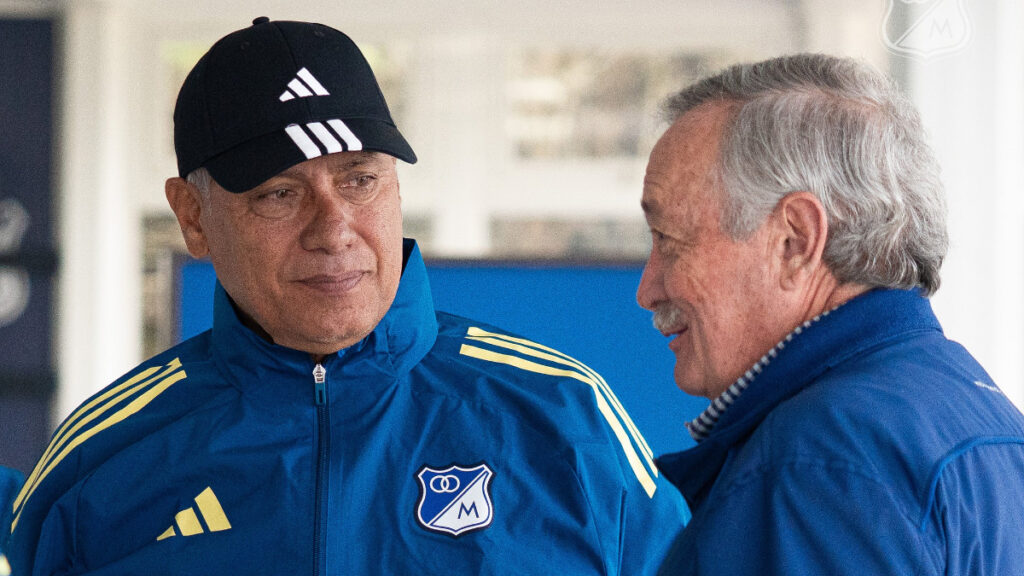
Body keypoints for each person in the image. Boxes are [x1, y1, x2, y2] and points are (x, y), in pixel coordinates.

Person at [4, 18, 686, 575]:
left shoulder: (567, 421)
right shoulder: (101, 461)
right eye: (279, 193)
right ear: (191, 217)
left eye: (359, 179)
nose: (333, 230)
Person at [638, 52, 1024, 575]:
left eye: (670, 240)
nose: (648, 288)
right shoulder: (976, 412)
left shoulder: (818, 463)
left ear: (795, 241)